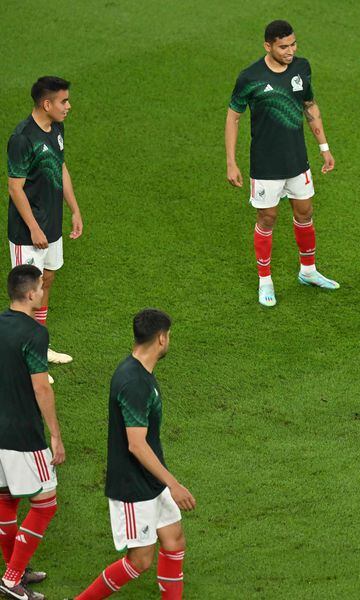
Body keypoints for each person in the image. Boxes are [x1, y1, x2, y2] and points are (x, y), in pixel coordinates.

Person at [75, 309, 195, 599]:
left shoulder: (139, 373)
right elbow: (136, 445)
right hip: (133, 485)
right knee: (139, 561)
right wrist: (173, 484)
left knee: (174, 539)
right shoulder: (134, 383)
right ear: (161, 339)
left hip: (150, 478)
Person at [225, 19, 339, 307]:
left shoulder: (302, 68)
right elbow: (233, 117)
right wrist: (231, 162)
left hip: (297, 159)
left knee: (305, 212)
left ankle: (308, 271)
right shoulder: (249, 77)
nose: (290, 51)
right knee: (267, 218)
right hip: (265, 165)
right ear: (268, 46)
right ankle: (265, 280)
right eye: (283, 46)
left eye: (293, 44)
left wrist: (324, 147)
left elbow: (309, 105)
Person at [6, 76, 84, 376]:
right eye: (63, 101)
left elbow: (61, 167)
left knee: (47, 280)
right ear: (46, 103)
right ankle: (25, 357)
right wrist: (34, 229)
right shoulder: (22, 138)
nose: (68, 106)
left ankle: (37, 345)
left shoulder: (56, 128)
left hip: (52, 226)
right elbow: (15, 188)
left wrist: (74, 209)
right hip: (28, 233)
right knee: (26, 292)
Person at [0, 266, 65, 600]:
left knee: (6, 502)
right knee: (45, 503)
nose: (43, 290)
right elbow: (42, 388)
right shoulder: (35, 334)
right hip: (23, 434)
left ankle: (16, 568)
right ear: (29, 294)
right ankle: (11, 578)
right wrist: (55, 435)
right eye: (40, 286)